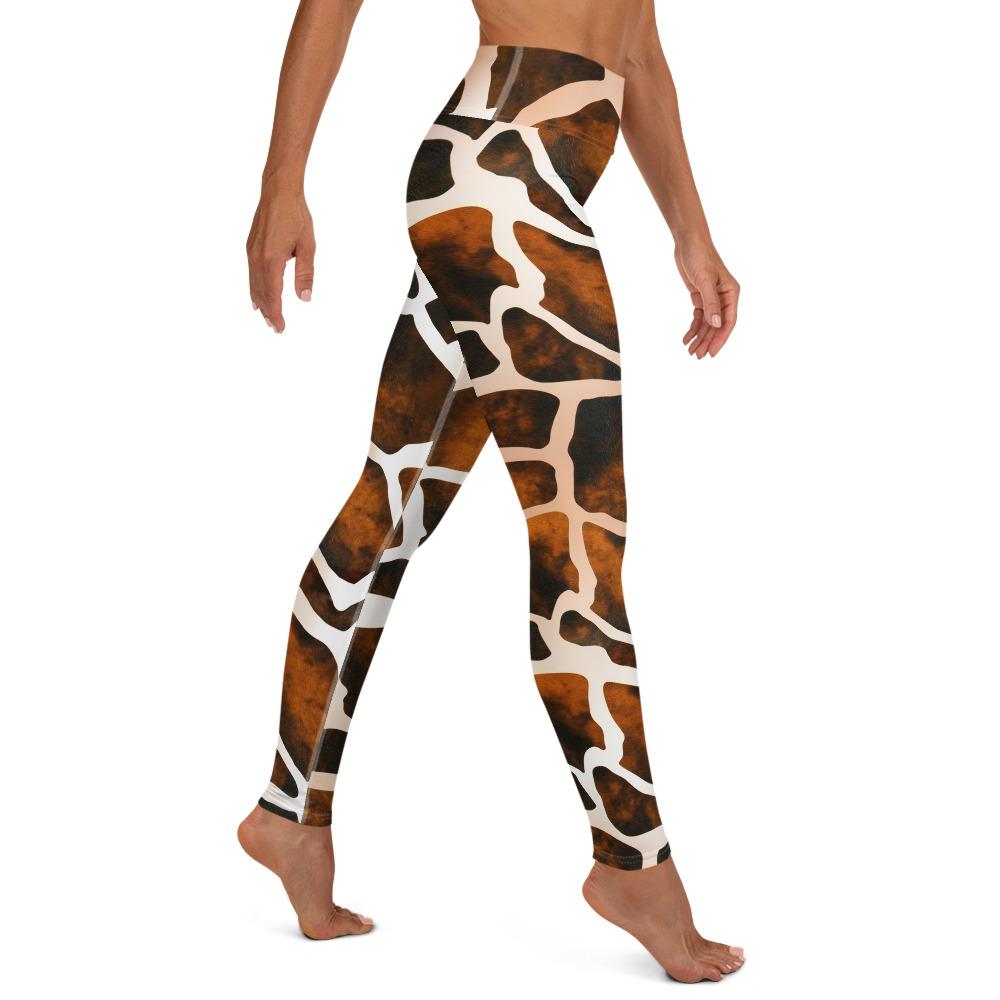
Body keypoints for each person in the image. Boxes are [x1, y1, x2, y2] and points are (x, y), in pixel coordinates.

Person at [237, 0, 743, 983]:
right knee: (581, 537)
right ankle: (631, 861)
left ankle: (289, 813)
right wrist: (281, 184)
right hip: (507, 186)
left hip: (509, 185)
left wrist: (691, 231)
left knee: (389, 504)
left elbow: (635, 44)